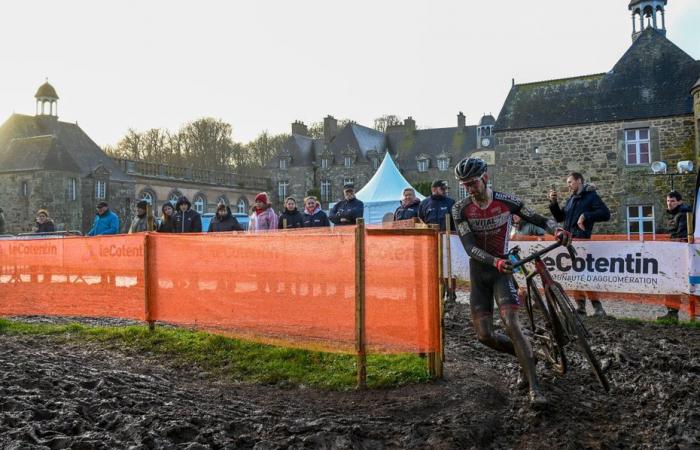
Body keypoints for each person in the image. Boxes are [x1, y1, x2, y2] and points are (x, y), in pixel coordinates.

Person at [453, 157, 571, 407]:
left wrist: (556, 229)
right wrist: (493, 261)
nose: (470, 189)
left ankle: (535, 389)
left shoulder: (505, 201)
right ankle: (527, 357)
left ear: (485, 178)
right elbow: (469, 247)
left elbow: (538, 218)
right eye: (465, 185)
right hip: (481, 271)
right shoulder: (460, 209)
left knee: (512, 324)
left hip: (502, 270)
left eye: (473, 183)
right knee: (485, 336)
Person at [549, 172, 611, 317]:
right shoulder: (571, 199)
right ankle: (581, 307)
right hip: (569, 242)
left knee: (585, 275)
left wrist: (586, 216)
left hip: (583, 242)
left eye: (570, 182)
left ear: (579, 181)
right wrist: (553, 203)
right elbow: (560, 217)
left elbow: (606, 214)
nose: (568, 185)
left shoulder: (591, 196)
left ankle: (598, 308)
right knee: (575, 275)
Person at [658, 191, 692, 321]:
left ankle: (674, 313)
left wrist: (668, 245)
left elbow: (680, 236)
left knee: (686, 285)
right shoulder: (672, 215)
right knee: (671, 284)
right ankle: (672, 313)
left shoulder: (683, 215)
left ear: (680, 201)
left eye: (672, 201)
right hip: (672, 253)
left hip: (679, 255)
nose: (669, 203)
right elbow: (664, 231)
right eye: (667, 201)